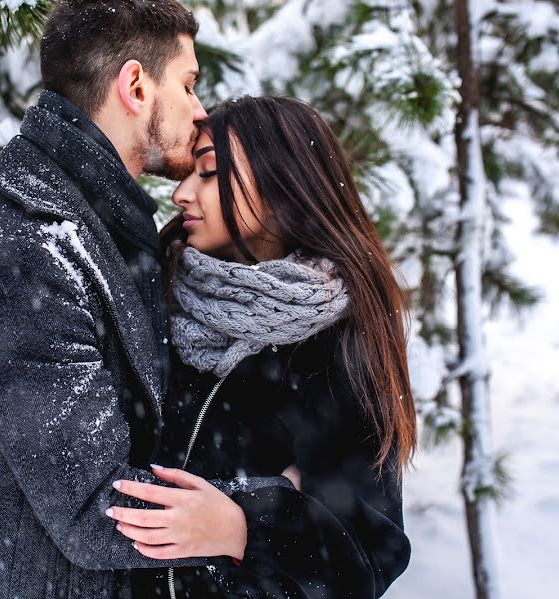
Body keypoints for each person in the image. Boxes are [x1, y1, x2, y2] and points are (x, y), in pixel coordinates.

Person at [0, 4, 294, 598]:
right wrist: (271, 506)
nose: (198, 111)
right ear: (136, 86)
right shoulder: (25, 252)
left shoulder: (102, 228)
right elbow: (96, 509)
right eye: (188, 84)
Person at [107, 96, 416, 598]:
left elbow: (370, 552)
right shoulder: (153, 286)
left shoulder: (334, 340)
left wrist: (243, 524)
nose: (182, 194)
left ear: (283, 184)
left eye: (208, 172)